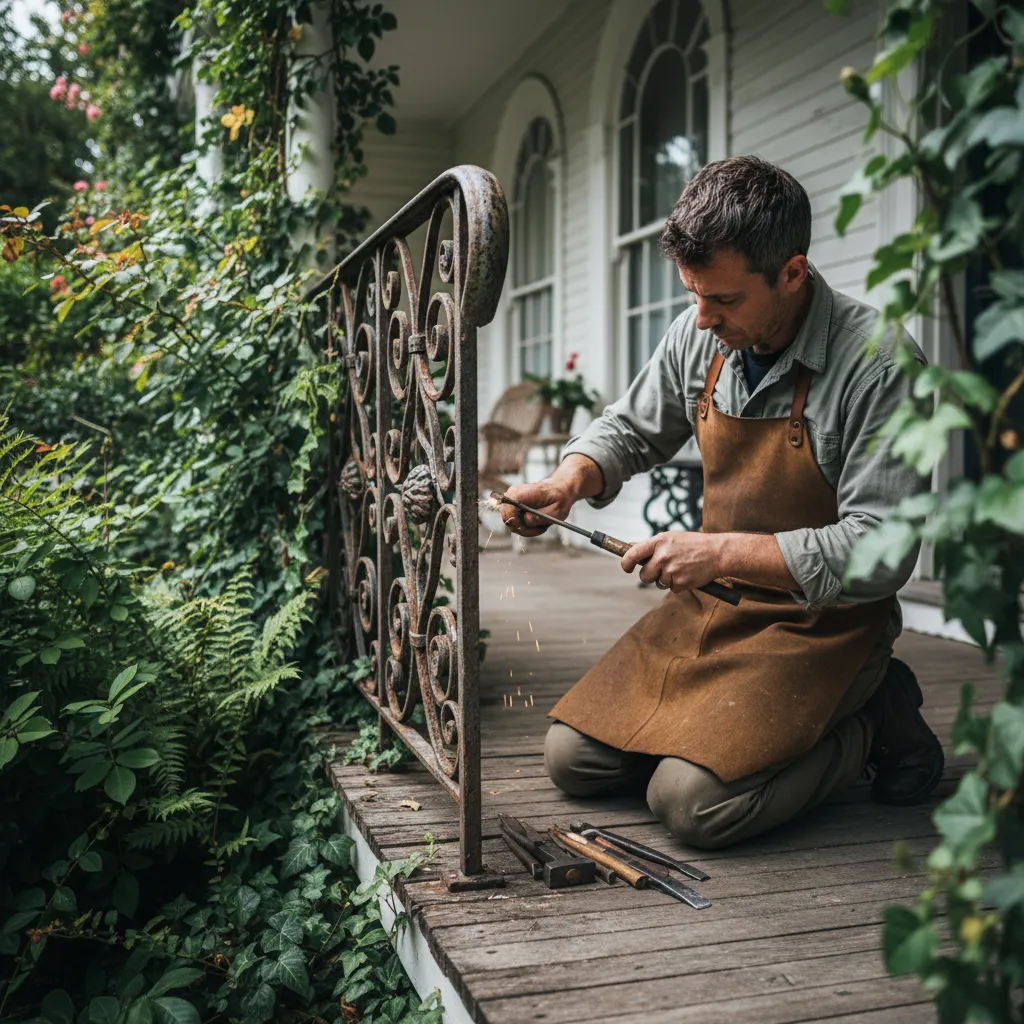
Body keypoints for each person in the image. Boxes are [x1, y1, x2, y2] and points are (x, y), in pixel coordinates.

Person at [502, 156, 945, 850]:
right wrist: (568, 481)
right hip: (716, 609)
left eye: (725, 301)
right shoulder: (699, 333)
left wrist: (716, 551)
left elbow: (881, 548)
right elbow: (629, 428)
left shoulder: (882, 365)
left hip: (824, 624)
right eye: (694, 296)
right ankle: (724, 737)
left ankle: (869, 722)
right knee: (574, 760)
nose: (702, 318)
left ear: (792, 274)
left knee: (691, 806)